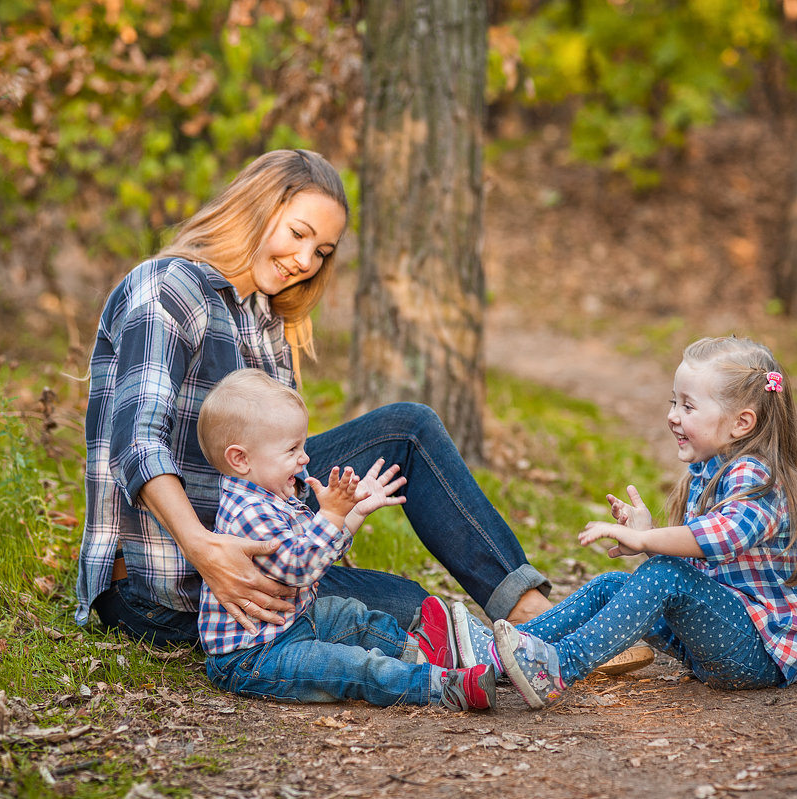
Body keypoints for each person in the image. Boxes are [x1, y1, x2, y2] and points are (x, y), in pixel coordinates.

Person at [74, 149, 552, 648]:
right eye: (298, 234)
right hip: (163, 583)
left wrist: (335, 512)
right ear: (255, 209)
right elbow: (136, 444)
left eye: (322, 250)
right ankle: (517, 643)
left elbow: (279, 469)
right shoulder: (168, 288)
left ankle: (529, 612)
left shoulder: (263, 319)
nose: (305, 261)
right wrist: (205, 550)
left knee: (408, 430)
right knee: (413, 608)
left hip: (252, 530)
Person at [451, 336, 797, 708]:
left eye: (688, 406)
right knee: (609, 586)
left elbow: (723, 538)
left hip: (758, 655)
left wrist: (649, 543)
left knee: (663, 573)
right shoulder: (709, 470)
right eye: (673, 402)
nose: (672, 416)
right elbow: (701, 573)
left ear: (741, 423)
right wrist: (648, 534)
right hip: (719, 641)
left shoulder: (757, 476)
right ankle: (497, 656)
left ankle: (557, 666)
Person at [194, 369, 496, 710]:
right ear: (240, 459)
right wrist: (333, 514)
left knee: (351, 615)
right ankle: (440, 687)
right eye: (292, 448)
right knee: (350, 667)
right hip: (255, 656)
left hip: (293, 622)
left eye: (303, 445)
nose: (304, 458)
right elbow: (300, 567)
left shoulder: (272, 494)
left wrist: (354, 512)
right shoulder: (248, 511)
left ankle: (423, 652)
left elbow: (320, 549)